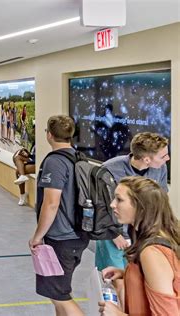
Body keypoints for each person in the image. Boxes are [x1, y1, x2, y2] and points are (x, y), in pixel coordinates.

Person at [29, 115, 89, 316]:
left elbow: (51, 203)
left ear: (49, 135)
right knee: (60, 293)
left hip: (61, 238)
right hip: (77, 234)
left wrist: (37, 236)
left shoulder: (55, 162)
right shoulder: (79, 158)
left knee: (59, 296)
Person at [98, 176, 179, 316]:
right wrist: (128, 274)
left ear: (141, 207)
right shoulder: (157, 240)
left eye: (119, 199)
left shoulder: (152, 253)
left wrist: (118, 315)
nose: (112, 204)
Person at [96, 132, 170, 275]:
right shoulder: (109, 169)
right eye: (163, 156)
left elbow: (161, 201)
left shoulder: (160, 168)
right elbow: (99, 205)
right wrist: (114, 234)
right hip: (113, 233)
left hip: (141, 235)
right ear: (147, 159)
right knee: (113, 280)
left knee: (134, 277)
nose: (167, 159)